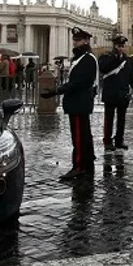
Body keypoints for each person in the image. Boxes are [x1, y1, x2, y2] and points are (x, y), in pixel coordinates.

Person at [41, 27, 99, 181]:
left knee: (79, 136)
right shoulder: (80, 58)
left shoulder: (87, 59)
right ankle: (87, 160)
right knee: (83, 134)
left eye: (78, 40)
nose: (75, 43)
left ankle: (79, 166)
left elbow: (78, 83)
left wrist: (56, 91)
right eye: (74, 40)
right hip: (78, 102)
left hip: (79, 102)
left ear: (86, 41)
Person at [98, 35, 133, 158]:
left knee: (121, 119)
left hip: (123, 94)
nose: (121, 48)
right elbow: (103, 68)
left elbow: (131, 79)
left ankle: (119, 140)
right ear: (114, 46)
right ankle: (107, 141)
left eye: (123, 46)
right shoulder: (106, 57)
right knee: (109, 119)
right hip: (110, 93)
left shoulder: (128, 60)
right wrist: (114, 57)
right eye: (119, 46)